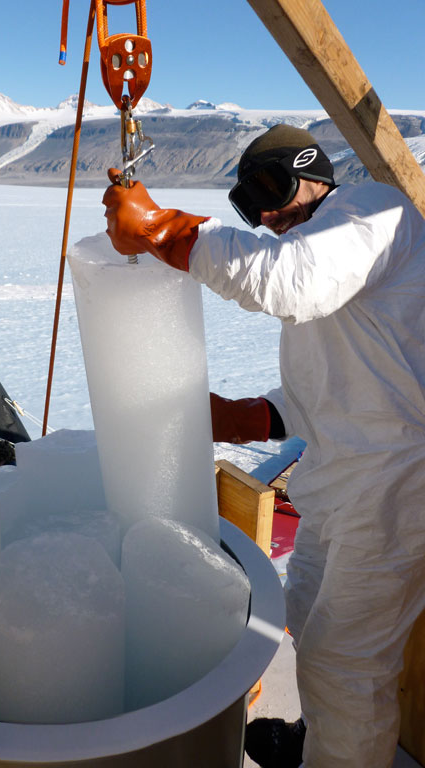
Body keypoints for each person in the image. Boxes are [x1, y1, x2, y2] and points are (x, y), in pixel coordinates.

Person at [102, 124, 425, 768]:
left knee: (347, 664)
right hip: (342, 481)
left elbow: (287, 281)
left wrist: (165, 230)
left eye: (271, 190)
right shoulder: (332, 268)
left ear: (311, 170)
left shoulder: (369, 212)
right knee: (308, 621)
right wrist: (237, 417)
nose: (269, 215)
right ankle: (327, 741)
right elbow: (317, 395)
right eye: (249, 206)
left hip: (397, 485)